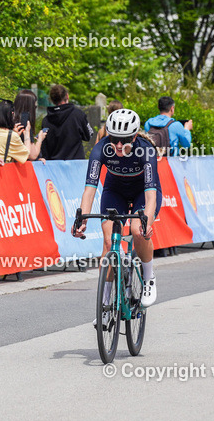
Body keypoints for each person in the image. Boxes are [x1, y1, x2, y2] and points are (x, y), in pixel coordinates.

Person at [73, 108, 161, 310]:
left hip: (142, 192)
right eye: (114, 139)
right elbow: (90, 189)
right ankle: (104, 304)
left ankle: (148, 278)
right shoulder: (101, 149)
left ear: (135, 135)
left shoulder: (146, 150)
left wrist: (147, 220)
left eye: (125, 139)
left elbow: (150, 193)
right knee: (108, 241)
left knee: (138, 231)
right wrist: (82, 219)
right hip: (115, 191)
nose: (119, 145)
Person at [40, 84, 94, 160]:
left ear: (52, 100)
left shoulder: (46, 120)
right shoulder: (78, 115)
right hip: (76, 165)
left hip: (54, 167)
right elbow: (89, 135)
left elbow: (44, 147)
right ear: (67, 96)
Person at [0, 99, 45, 163]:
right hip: (3, 169)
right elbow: (27, 155)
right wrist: (27, 133)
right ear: (12, 114)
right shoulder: (11, 136)